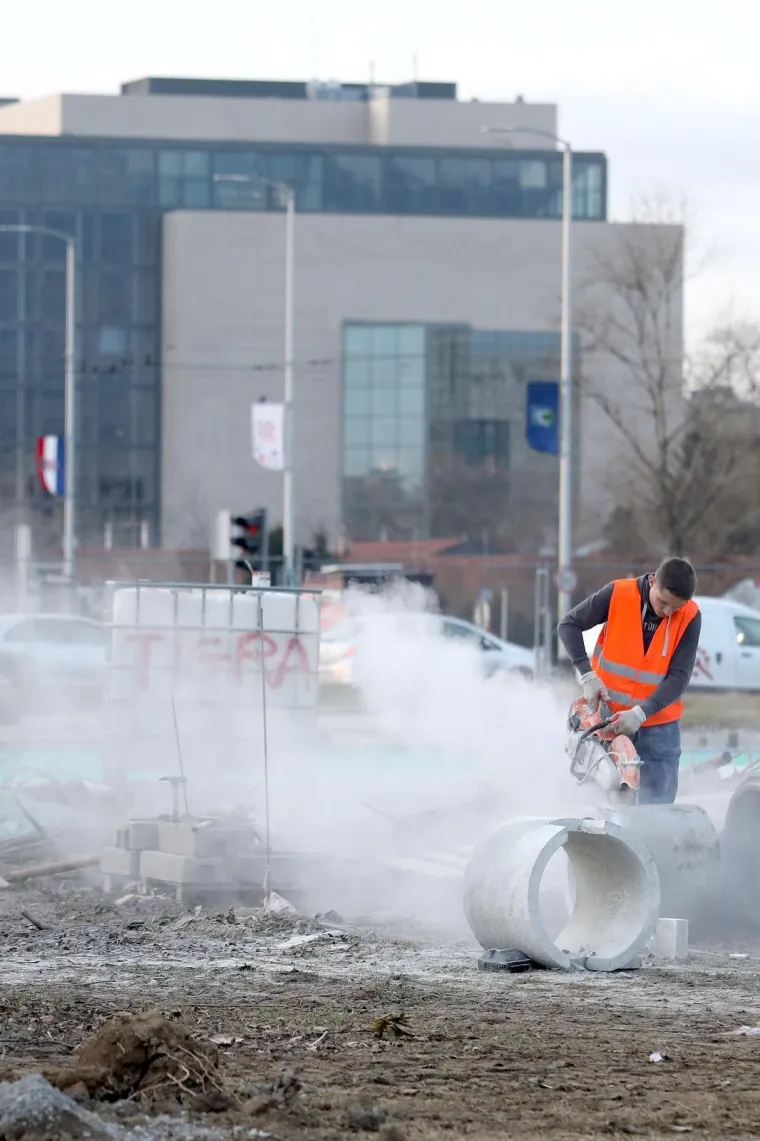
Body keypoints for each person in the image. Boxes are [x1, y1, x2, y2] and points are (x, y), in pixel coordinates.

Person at [557, 557, 701, 805]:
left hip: (659, 726)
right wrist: (587, 674)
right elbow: (568, 625)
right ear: (653, 581)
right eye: (663, 602)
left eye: (674, 608)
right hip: (607, 720)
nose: (667, 612)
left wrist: (641, 713)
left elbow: (679, 677)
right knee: (603, 804)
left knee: (658, 809)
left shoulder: (690, 615)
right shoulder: (618, 594)